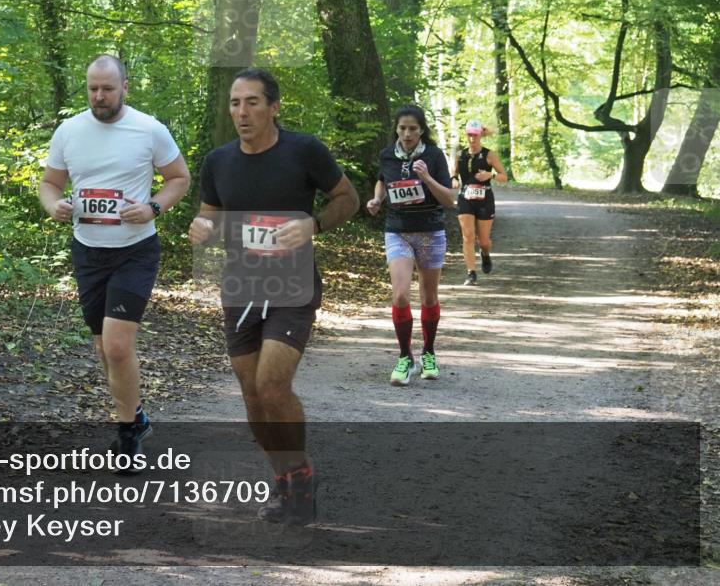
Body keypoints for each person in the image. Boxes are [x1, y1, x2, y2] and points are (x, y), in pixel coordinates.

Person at [188, 68, 358, 526]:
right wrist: (201, 228)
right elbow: (208, 216)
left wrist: (314, 224)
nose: (241, 112)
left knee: (271, 384)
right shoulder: (218, 161)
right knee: (253, 402)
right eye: (235, 103)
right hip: (240, 288)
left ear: (274, 107)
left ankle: (300, 475)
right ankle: (286, 484)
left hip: (291, 287)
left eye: (252, 102)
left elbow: (348, 197)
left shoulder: (303, 151)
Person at [39, 54, 190, 465]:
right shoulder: (69, 131)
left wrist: (154, 208)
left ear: (125, 86)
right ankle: (137, 416)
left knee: (118, 346)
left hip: (135, 251)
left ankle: (126, 437)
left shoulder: (148, 129)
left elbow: (179, 178)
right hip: (88, 251)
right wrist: (54, 205)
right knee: (104, 350)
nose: (99, 96)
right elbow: (50, 183)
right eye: (92, 88)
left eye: (107, 88)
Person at [367, 105, 456, 386]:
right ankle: (406, 358)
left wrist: (427, 177)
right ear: (396, 128)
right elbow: (383, 180)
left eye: (413, 129)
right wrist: (376, 200)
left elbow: (450, 200)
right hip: (398, 231)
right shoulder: (386, 154)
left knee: (429, 298)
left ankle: (428, 352)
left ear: (421, 131)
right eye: (402, 128)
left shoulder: (433, 155)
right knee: (401, 295)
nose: (407, 134)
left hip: (430, 230)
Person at [452, 119, 508, 286]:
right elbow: (453, 174)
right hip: (465, 199)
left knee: (483, 241)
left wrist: (490, 176)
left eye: (475, 135)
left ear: (481, 135)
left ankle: (485, 253)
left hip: (484, 200)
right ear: (466, 135)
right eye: (469, 135)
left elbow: (504, 177)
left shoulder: (489, 155)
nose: (472, 139)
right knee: (468, 236)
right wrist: (454, 180)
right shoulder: (460, 155)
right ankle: (471, 273)